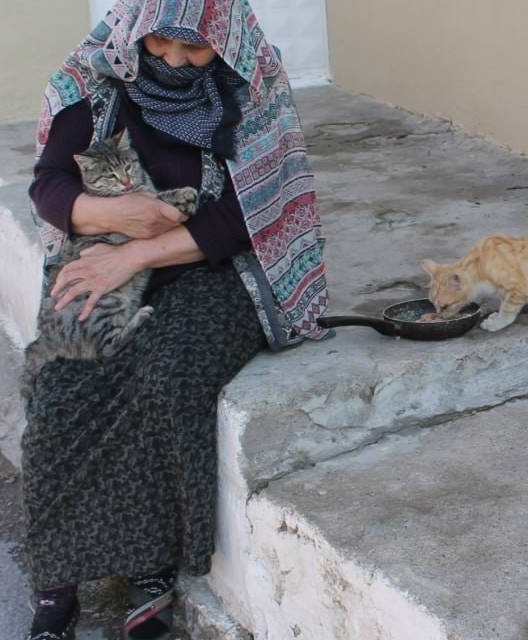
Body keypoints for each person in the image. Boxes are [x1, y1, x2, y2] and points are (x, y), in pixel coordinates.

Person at [23, 1, 329, 638]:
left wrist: (140, 251)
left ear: (224, 43)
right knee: (60, 389)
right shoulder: (92, 80)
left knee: (169, 371)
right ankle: (58, 579)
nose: (173, 62)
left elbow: (250, 217)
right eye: (161, 45)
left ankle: (152, 568)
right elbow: (48, 185)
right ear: (139, 30)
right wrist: (114, 223)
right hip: (105, 261)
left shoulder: (253, 88)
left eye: (194, 51)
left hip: (214, 269)